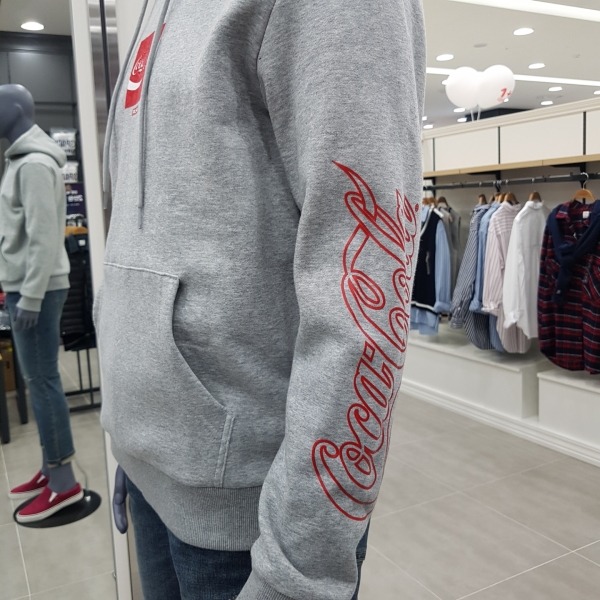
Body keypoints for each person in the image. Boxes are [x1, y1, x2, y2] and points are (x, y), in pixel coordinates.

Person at [98, 0, 425, 598]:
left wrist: (300, 568)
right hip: (154, 471)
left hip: (250, 519)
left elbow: (365, 286)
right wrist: (136, 434)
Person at [0, 84, 83, 523]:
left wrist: (29, 295)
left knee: (44, 381)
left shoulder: (33, 164)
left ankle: (63, 481)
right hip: (27, 287)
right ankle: (50, 467)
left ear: (16, 110)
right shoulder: (20, 160)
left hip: (37, 290)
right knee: (38, 380)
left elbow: (44, 236)